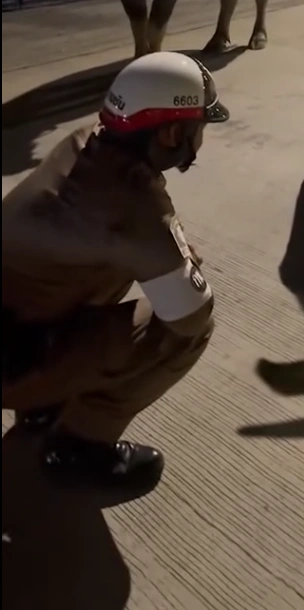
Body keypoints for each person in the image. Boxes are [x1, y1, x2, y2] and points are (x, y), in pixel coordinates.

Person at [2, 51, 229, 491]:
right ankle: (77, 446)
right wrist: (178, 259)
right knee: (184, 334)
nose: (200, 138)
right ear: (172, 132)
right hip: (12, 358)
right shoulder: (132, 203)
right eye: (199, 127)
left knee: (104, 270)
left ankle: (42, 402)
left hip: (13, 325)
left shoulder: (86, 140)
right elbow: (191, 315)